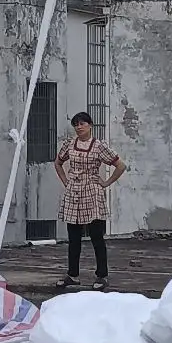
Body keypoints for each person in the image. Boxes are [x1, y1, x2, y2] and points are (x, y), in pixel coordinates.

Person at [54, 111, 127, 291]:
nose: (79, 127)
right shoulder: (69, 145)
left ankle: (102, 275)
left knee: (96, 236)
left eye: (82, 124)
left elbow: (120, 165)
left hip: (92, 193)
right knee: (73, 237)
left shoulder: (99, 146)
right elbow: (58, 162)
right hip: (73, 193)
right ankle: (73, 274)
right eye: (76, 124)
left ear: (90, 125)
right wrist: (66, 182)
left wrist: (105, 183)